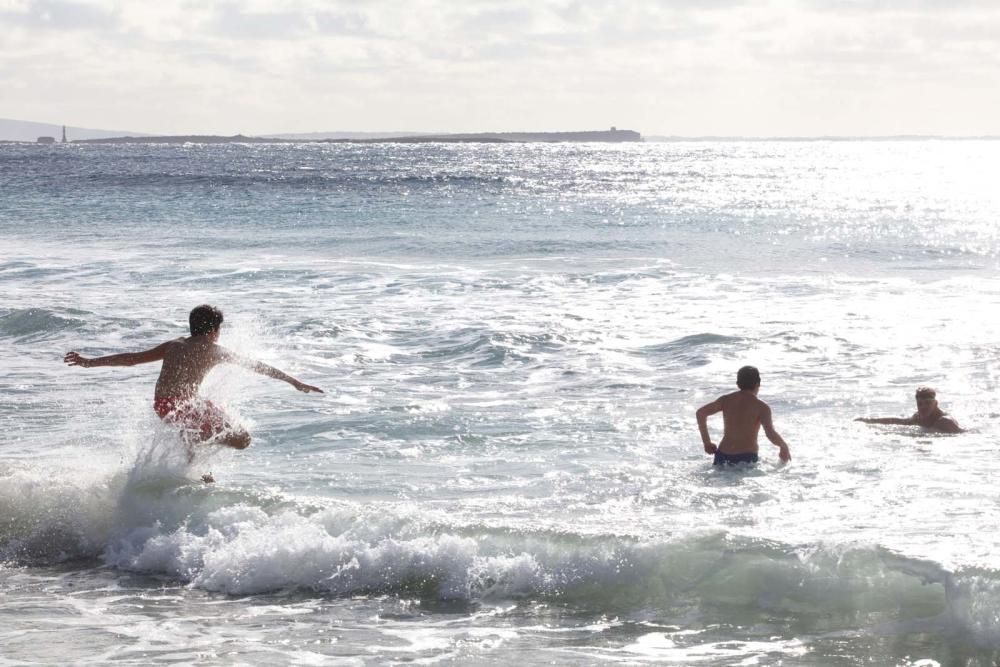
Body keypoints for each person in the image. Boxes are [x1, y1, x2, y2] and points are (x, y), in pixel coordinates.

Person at [64, 305, 323, 470]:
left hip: (164, 405)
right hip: (184, 405)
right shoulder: (214, 351)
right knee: (242, 439)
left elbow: (131, 359)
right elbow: (257, 366)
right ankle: (197, 446)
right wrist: (295, 382)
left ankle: (196, 468)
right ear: (213, 331)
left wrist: (89, 363)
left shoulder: (174, 345)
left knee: (196, 446)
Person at [696, 365, 792, 466]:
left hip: (722, 455)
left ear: (737, 384)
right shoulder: (761, 407)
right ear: (758, 383)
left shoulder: (725, 400)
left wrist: (707, 443)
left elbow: (700, 413)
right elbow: (770, 433)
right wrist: (783, 446)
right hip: (746, 458)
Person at [855, 386, 962, 433]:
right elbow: (900, 422)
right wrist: (869, 420)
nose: (923, 407)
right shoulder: (919, 417)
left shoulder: (945, 422)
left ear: (936, 404)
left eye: (928, 403)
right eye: (920, 403)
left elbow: (963, 435)